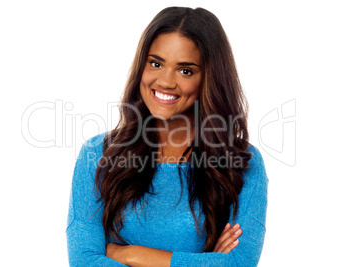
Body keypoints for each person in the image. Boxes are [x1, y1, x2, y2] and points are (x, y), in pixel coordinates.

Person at [66, 6, 268, 266]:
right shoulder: (98, 155)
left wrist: (127, 254)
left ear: (209, 79)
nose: (165, 81)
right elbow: (84, 260)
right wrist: (203, 262)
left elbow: (238, 263)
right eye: (156, 63)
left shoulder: (242, 162)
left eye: (185, 71)